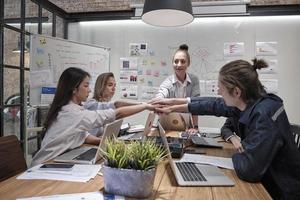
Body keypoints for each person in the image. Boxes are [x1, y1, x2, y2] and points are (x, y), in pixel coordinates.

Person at [153, 59, 300, 199]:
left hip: (278, 191)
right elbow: (212, 104)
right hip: (267, 180)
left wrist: (239, 152)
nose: (218, 92)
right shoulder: (251, 102)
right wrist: (171, 104)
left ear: (236, 92)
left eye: (221, 88)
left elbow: (249, 170)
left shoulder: (265, 115)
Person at [31, 67, 154, 166]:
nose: (89, 90)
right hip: (43, 166)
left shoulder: (72, 109)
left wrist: (110, 143)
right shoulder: (72, 112)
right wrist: (145, 106)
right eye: (85, 86)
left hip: (57, 161)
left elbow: (83, 136)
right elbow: (116, 113)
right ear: (74, 89)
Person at [154, 44, 200, 132]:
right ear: (172, 63)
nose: (179, 65)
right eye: (176, 61)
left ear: (188, 63)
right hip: (168, 125)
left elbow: (196, 105)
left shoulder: (194, 80)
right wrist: (158, 100)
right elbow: (161, 94)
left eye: (183, 61)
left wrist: (195, 127)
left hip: (187, 126)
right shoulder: (167, 82)